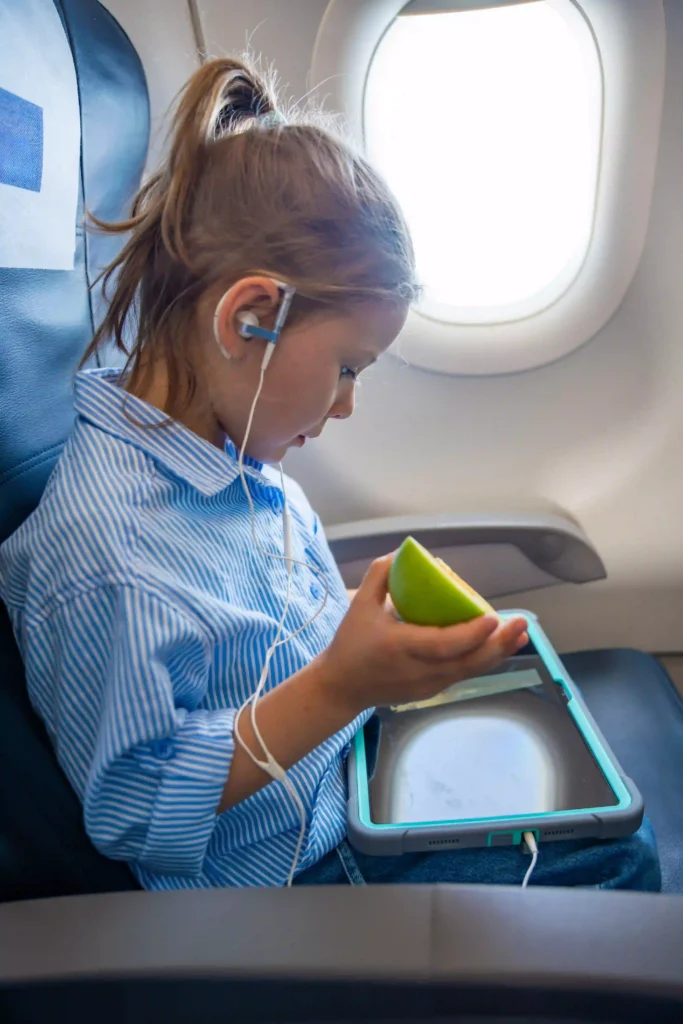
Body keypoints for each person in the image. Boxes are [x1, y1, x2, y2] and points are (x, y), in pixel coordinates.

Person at [0, 57, 660, 892]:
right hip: (292, 878)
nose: (345, 406)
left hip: (346, 770)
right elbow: (137, 802)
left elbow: (262, 635)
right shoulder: (111, 557)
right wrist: (343, 684)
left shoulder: (228, 455)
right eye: (348, 367)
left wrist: (364, 625)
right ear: (251, 318)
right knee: (617, 866)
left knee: (569, 767)